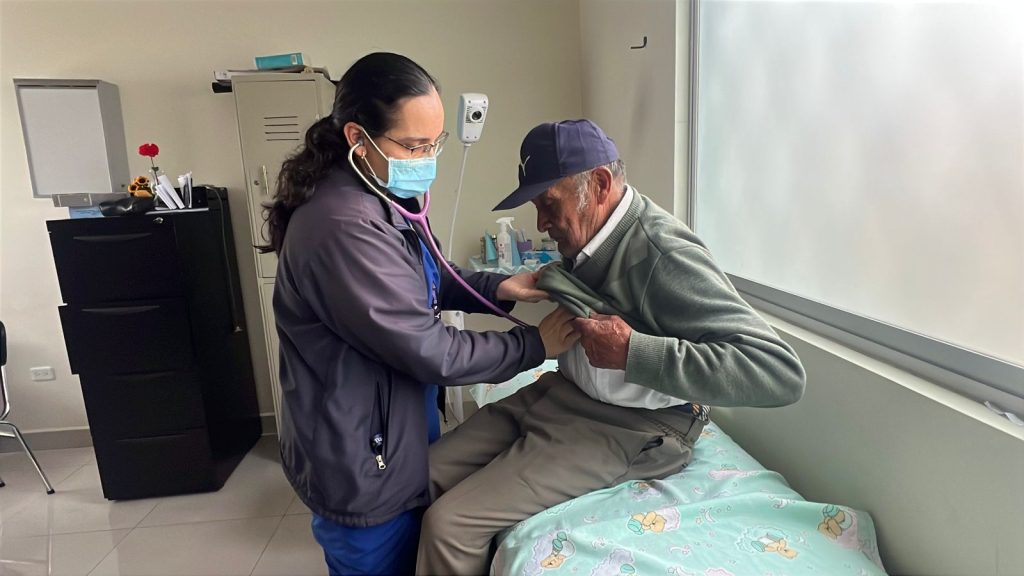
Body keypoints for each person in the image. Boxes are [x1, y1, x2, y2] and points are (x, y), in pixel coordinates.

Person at [416, 119, 807, 575]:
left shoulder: (663, 254)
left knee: (450, 524)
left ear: (600, 184)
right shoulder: (590, 236)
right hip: (565, 393)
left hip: (634, 425)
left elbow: (779, 372)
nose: (541, 223)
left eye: (549, 204)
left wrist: (631, 352)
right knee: (421, 475)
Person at [265, 53, 578, 576]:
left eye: (435, 143)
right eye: (414, 146)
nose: (427, 158)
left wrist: (499, 287)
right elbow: (428, 349)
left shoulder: (377, 195)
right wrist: (535, 346)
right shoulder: (342, 225)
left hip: (389, 431)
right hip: (362, 456)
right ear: (357, 138)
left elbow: (421, 277)